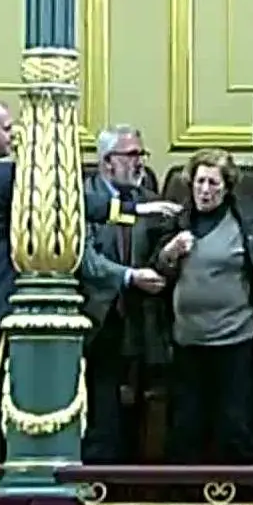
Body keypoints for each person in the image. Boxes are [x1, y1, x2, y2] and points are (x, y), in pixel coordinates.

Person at [0, 99, 181, 464]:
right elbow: (65, 204)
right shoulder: (4, 178)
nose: (14, 135)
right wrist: (132, 209)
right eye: (7, 128)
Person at [150, 149, 253, 464]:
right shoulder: (176, 221)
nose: (205, 190)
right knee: (185, 429)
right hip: (187, 343)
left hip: (235, 341)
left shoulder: (248, 222)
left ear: (227, 187)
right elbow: (157, 275)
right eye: (199, 182)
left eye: (213, 183)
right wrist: (169, 253)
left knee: (236, 429)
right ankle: (187, 504)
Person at [77, 125, 171, 464]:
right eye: (132, 155)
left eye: (141, 155)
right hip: (98, 321)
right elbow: (86, 261)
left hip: (144, 321)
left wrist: (168, 255)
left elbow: (162, 251)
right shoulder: (83, 199)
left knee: (139, 416)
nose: (140, 163)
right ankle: (98, 490)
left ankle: (134, 495)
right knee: (103, 414)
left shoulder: (149, 202)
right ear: (106, 162)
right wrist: (129, 277)